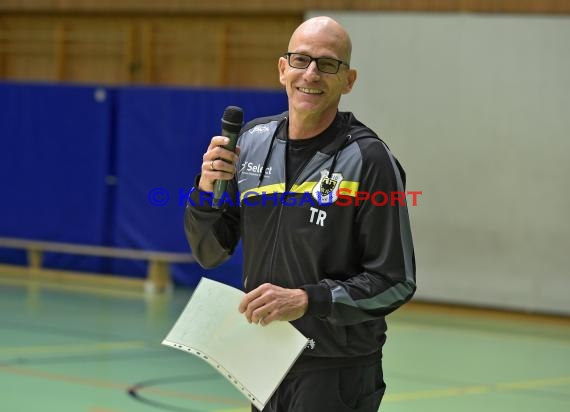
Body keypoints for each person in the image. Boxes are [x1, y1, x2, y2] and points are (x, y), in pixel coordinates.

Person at [184, 16, 416, 412]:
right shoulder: (251, 144)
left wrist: (307, 299)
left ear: (348, 80)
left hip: (336, 372)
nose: (311, 74)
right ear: (282, 69)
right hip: (263, 360)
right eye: (301, 60)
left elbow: (395, 281)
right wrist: (205, 193)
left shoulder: (369, 160)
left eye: (328, 64)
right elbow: (210, 252)